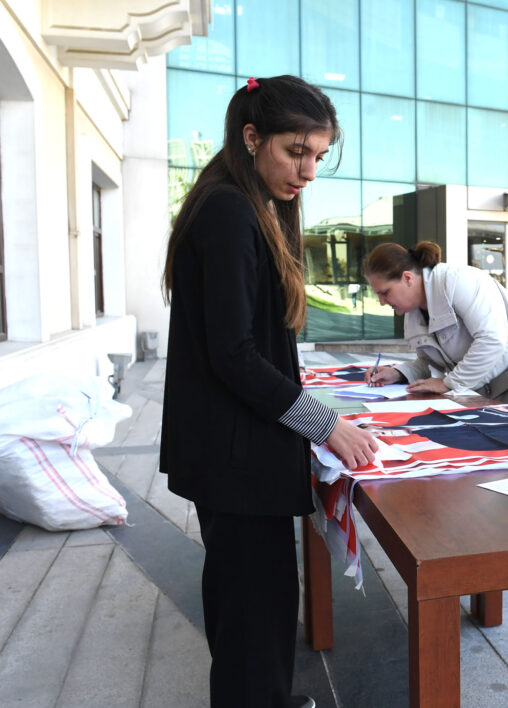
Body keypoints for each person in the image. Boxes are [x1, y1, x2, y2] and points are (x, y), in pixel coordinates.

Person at [159, 75, 378, 708]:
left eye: (318, 156)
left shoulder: (244, 203)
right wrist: (325, 424)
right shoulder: (230, 210)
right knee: (253, 611)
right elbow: (234, 354)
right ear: (252, 138)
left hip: (238, 451)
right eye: (295, 151)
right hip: (235, 457)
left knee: (259, 602)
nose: (307, 171)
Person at [362, 241, 508, 419]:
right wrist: (399, 373)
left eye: (385, 292)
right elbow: (432, 362)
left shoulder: (457, 280)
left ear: (407, 278)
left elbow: (492, 340)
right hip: (500, 387)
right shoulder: (413, 311)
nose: (382, 302)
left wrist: (449, 383)